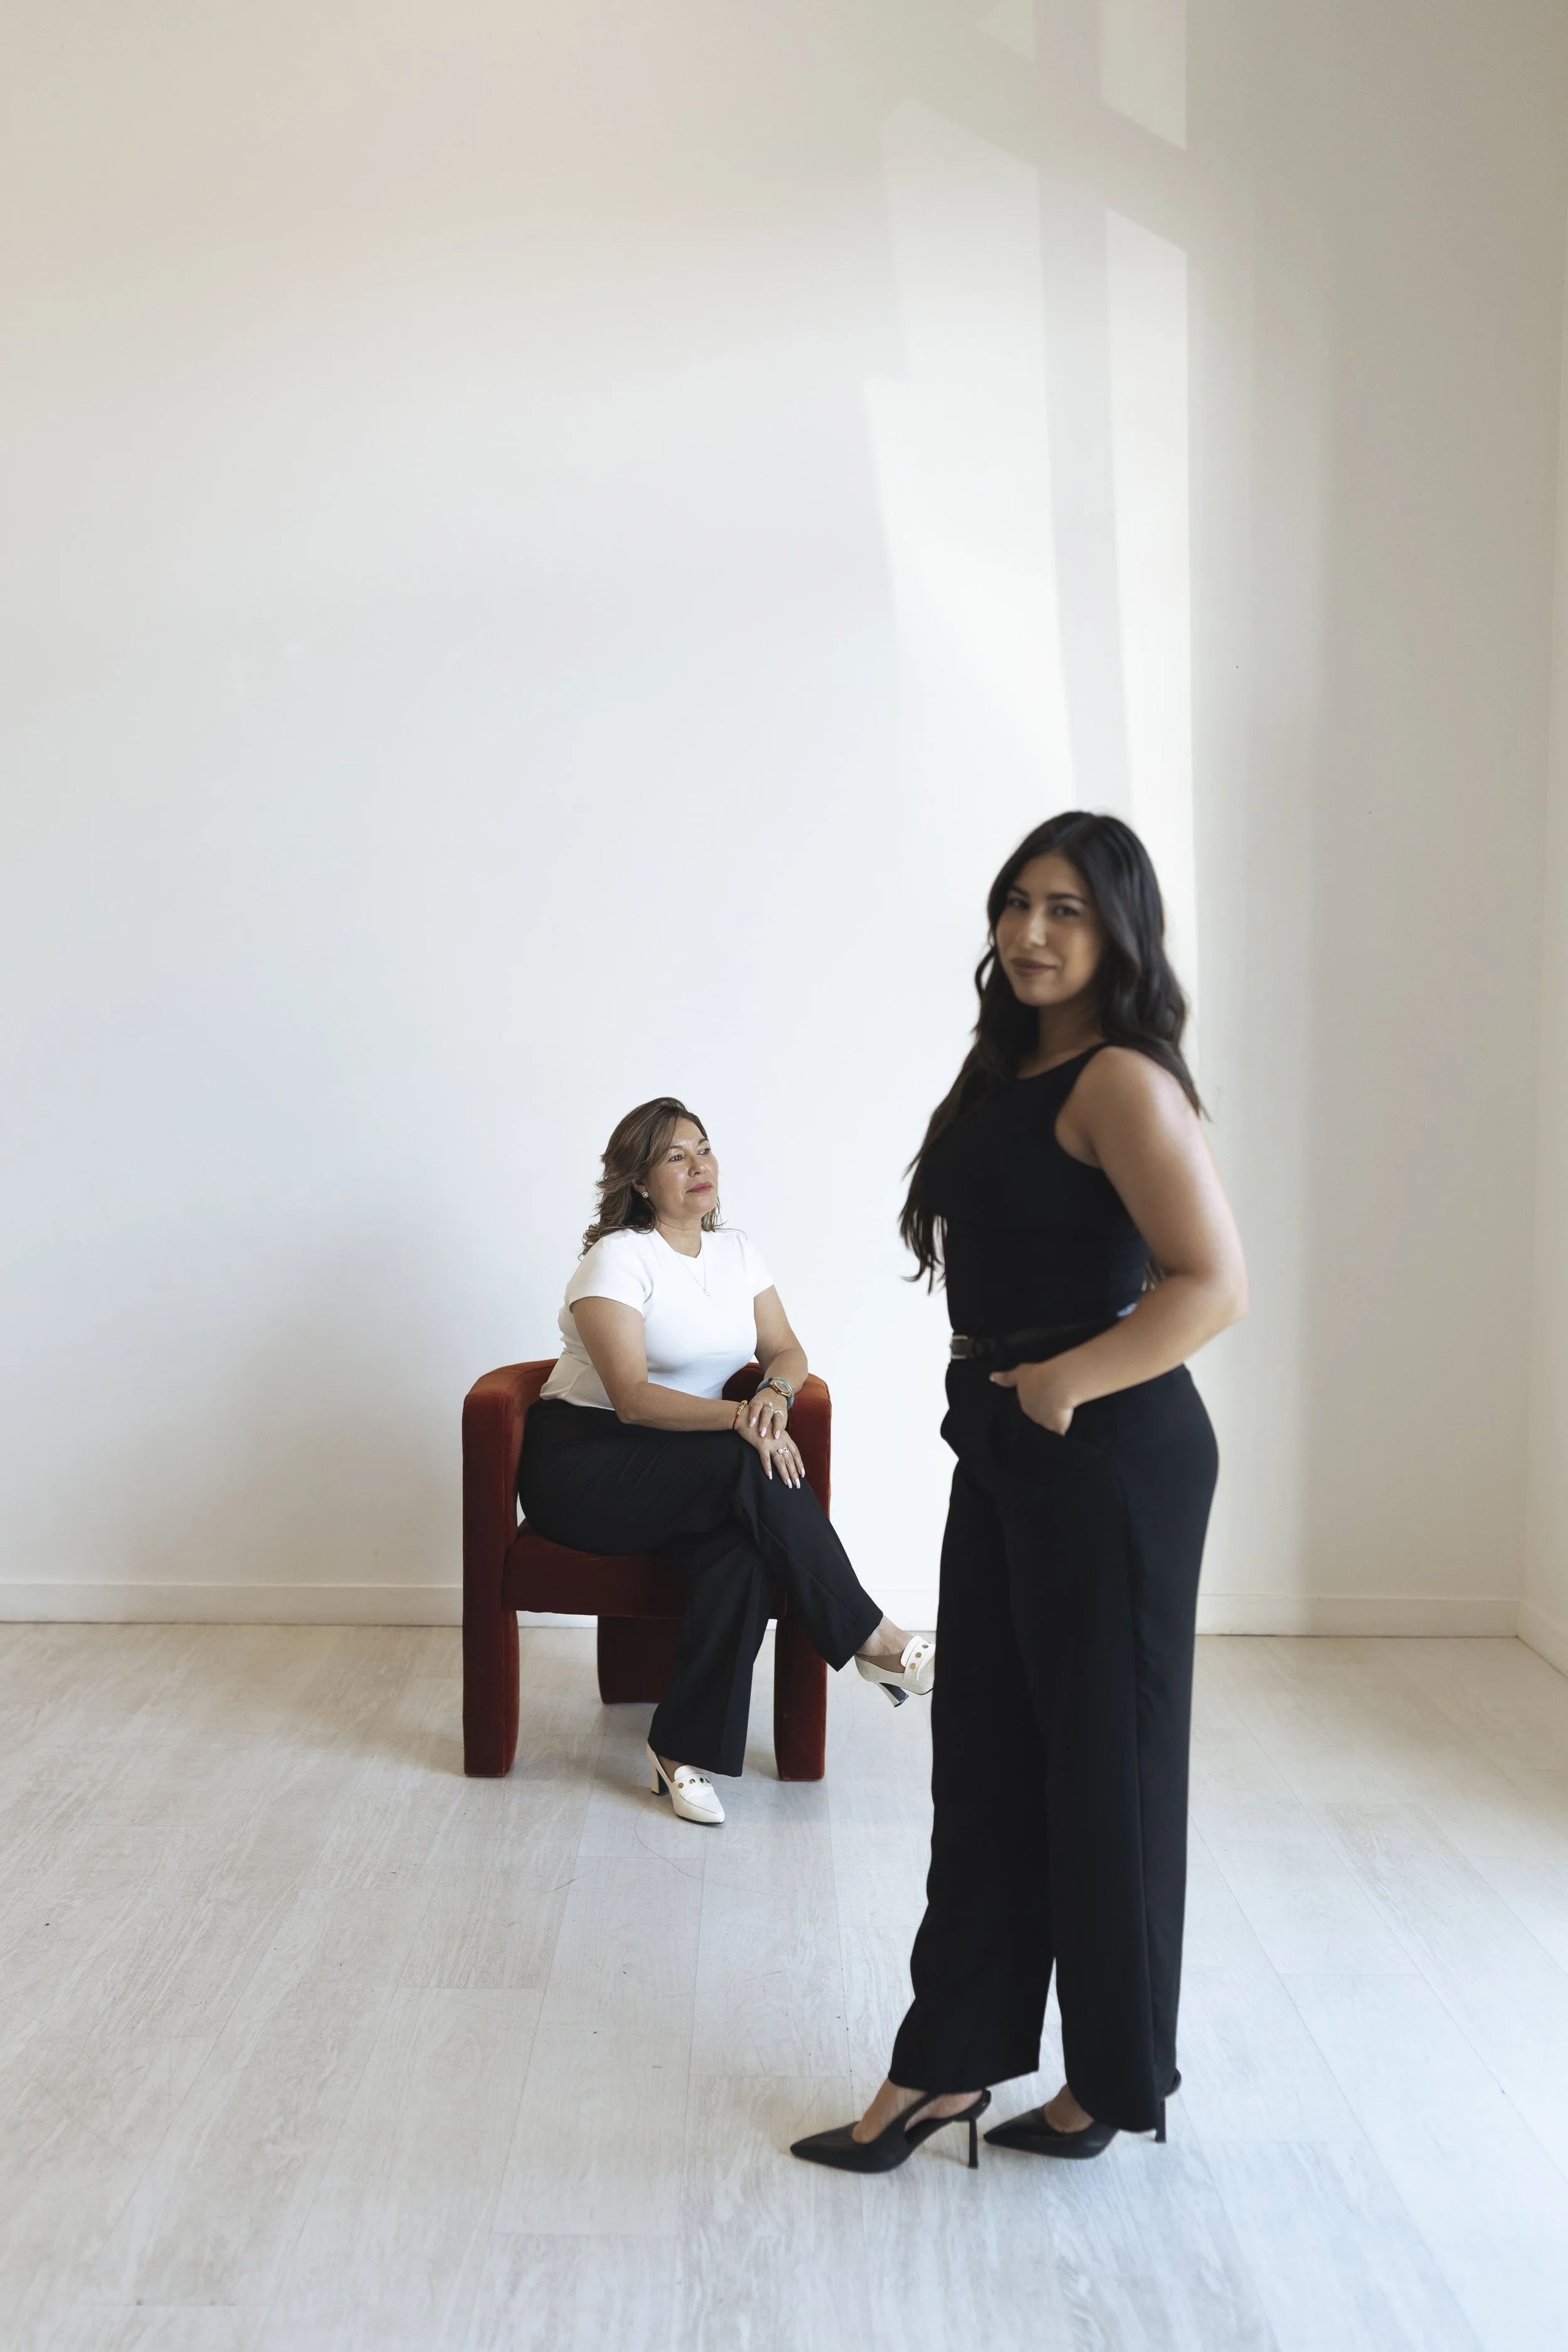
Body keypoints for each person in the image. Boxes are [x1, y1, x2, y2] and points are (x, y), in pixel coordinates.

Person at [792, 812, 1246, 2173]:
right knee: (984, 1761)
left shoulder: (1119, 1080)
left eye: (1066, 911)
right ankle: (949, 2066)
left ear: (1117, 934)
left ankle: (1105, 2079)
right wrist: (1016, 1406)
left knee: (1099, 1777)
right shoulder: (1005, 1066)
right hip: (1004, 1445)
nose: (1031, 933)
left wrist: (1062, 1385)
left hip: (1103, 1455)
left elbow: (1211, 1285)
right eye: (1015, 904)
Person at [517, 1096, 935, 1825]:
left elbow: (787, 1349)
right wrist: (744, 1421)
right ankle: (873, 1638)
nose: (697, 1165)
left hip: (688, 1468)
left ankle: (679, 1753)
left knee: (741, 1553)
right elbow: (633, 1401)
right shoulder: (616, 1259)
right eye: (675, 1156)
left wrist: (775, 1390)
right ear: (641, 1182)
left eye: (703, 1149)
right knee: (748, 1461)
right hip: (588, 1467)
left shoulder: (737, 1253)